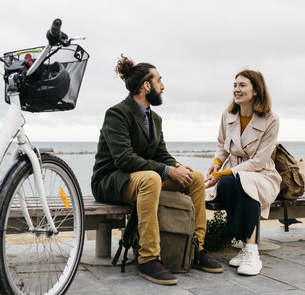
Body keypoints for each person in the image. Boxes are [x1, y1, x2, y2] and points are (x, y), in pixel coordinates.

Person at [91, 55, 223, 286]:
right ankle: (148, 258)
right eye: (159, 81)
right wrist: (167, 171)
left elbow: (160, 153)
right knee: (152, 178)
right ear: (146, 85)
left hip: (141, 178)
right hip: (111, 180)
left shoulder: (156, 119)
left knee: (195, 178)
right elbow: (123, 159)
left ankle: (196, 250)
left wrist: (177, 166)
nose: (163, 86)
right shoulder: (117, 113)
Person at [204, 70, 281, 276]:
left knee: (245, 183)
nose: (236, 90)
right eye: (235, 85)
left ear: (256, 90)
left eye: (242, 85)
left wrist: (221, 174)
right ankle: (244, 246)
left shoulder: (271, 119)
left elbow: (258, 161)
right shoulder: (228, 115)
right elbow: (222, 144)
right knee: (229, 184)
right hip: (234, 172)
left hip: (262, 173)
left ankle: (252, 251)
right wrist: (216, 163)